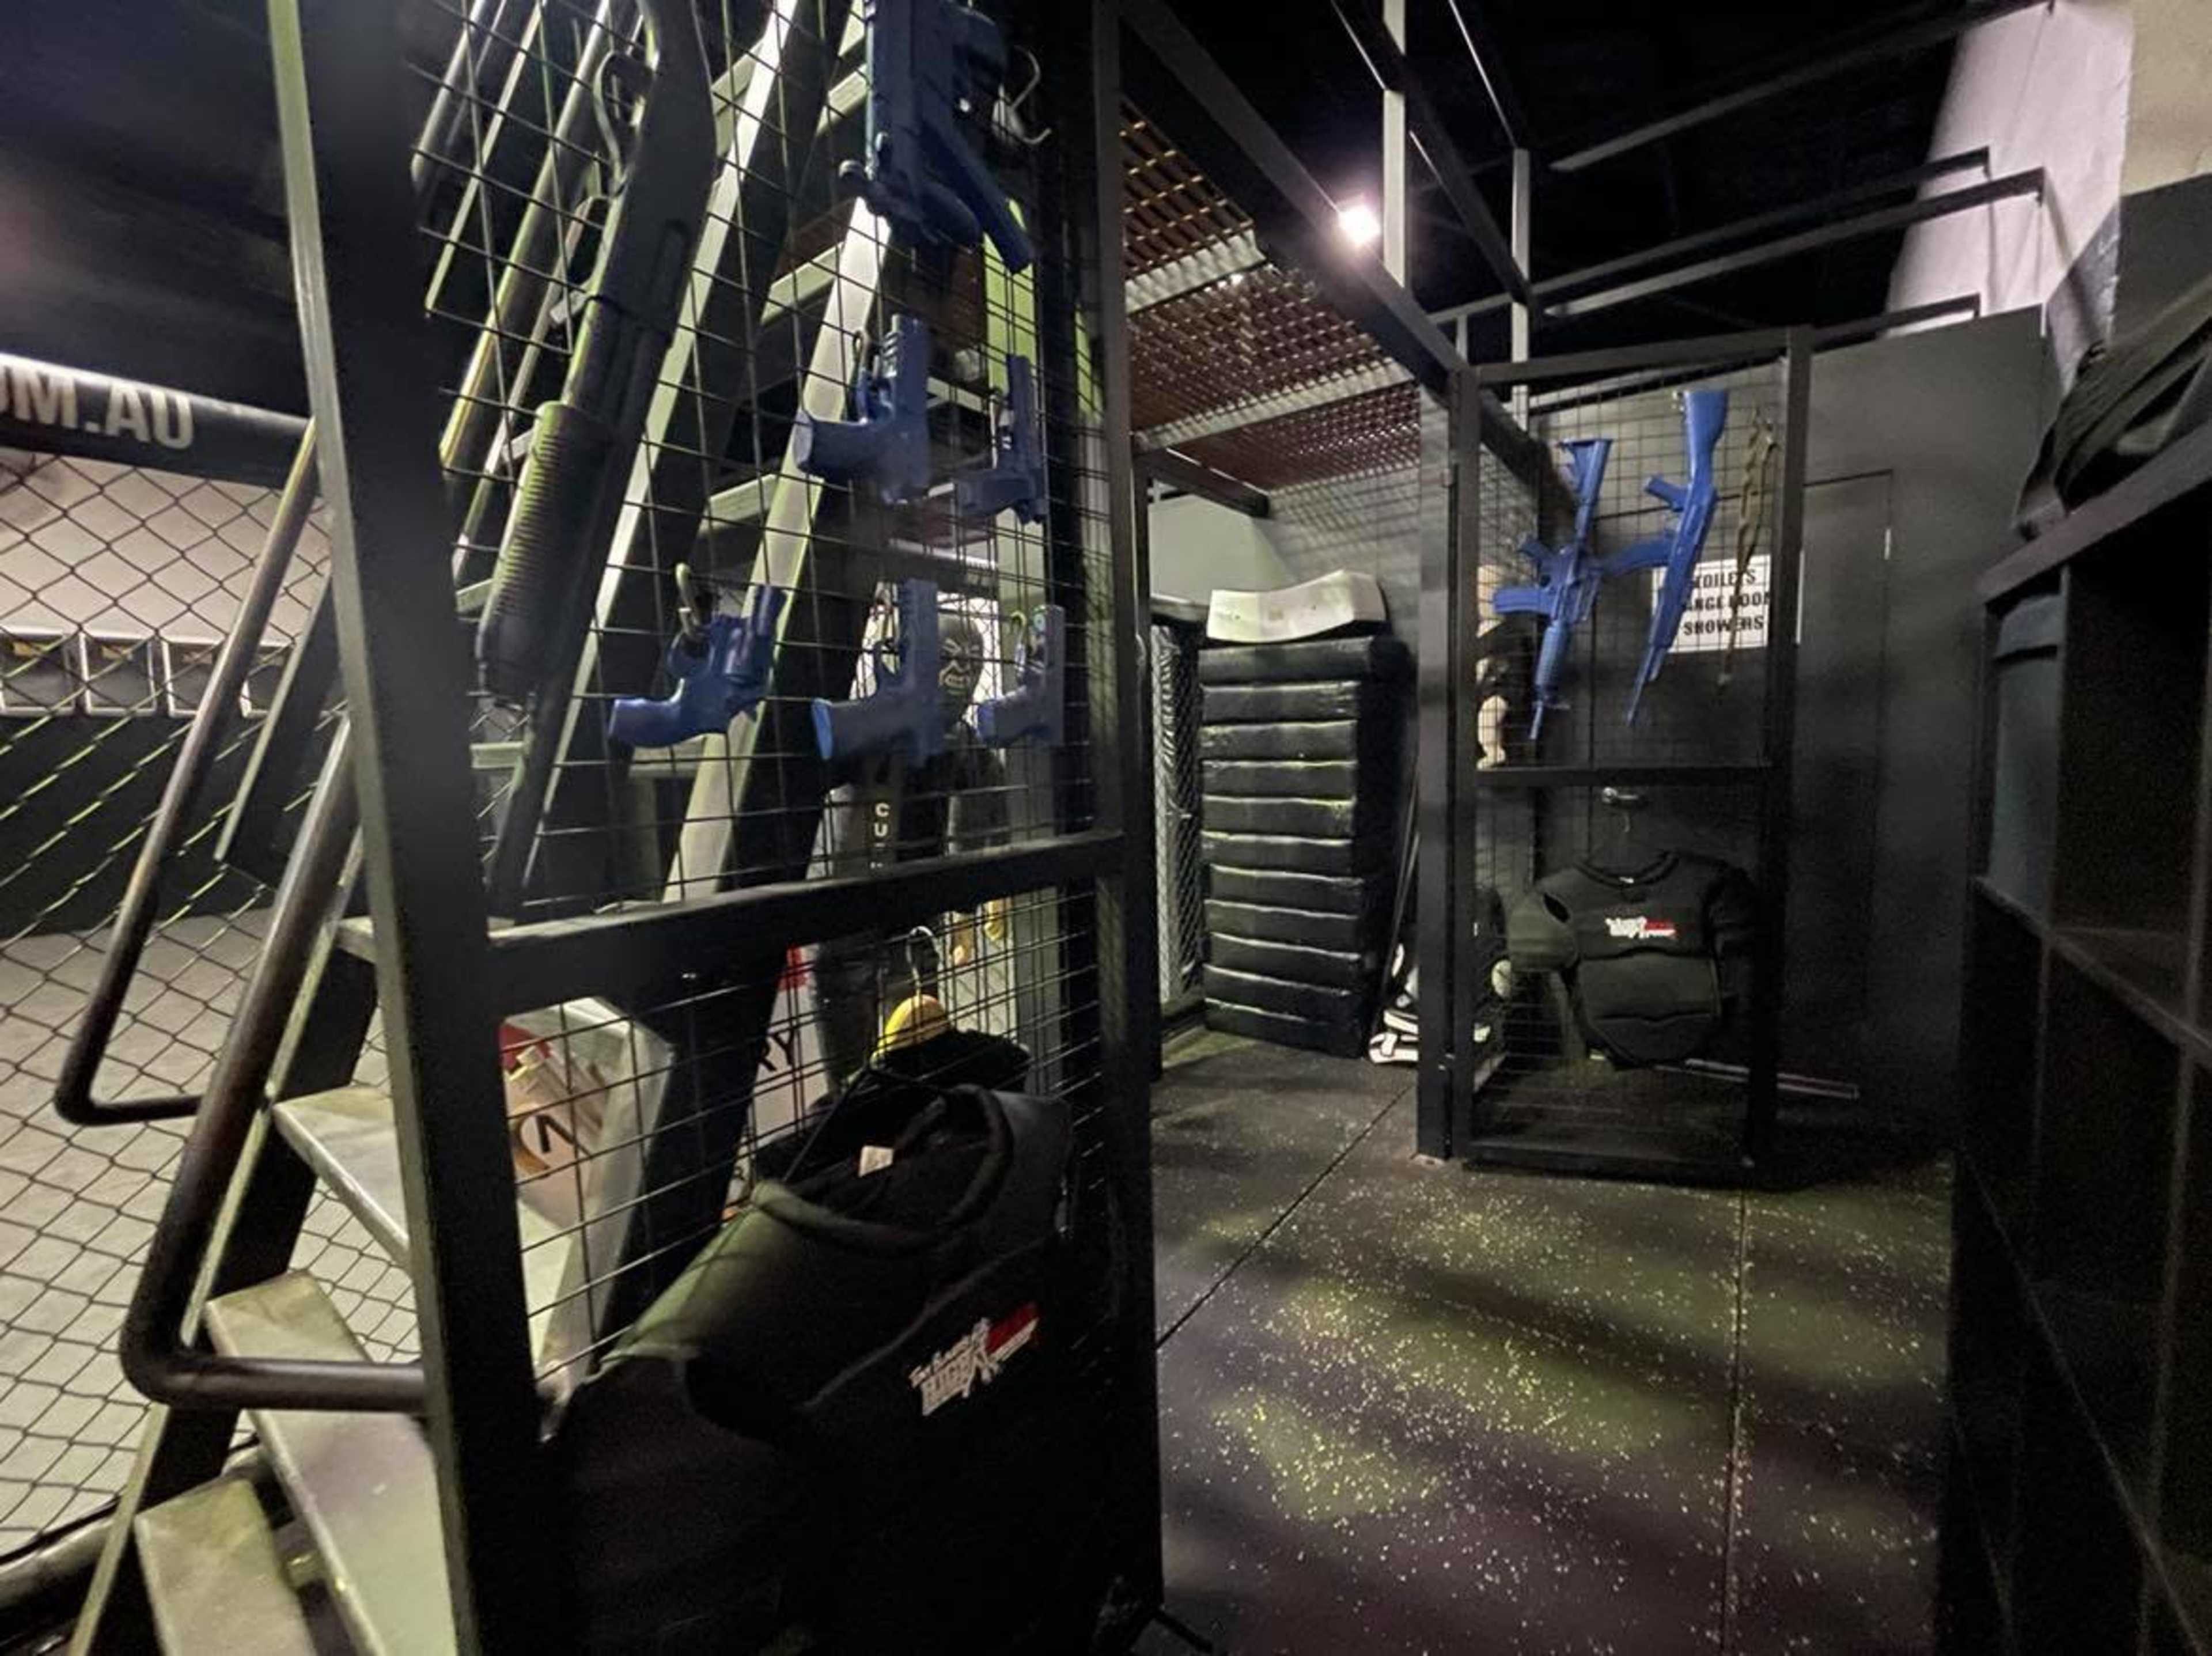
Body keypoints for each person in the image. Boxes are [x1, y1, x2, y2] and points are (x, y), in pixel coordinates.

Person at [810, 605, 1008, 1085]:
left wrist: (970, 905)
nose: (962, 672)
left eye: (973, 662)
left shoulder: (959, 739)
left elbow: (988, 805)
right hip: (851, 914)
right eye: (948, 658)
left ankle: (906, 1133)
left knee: (916, 1050)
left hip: (914, 912)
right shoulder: (874, 724)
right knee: (853, 1074)